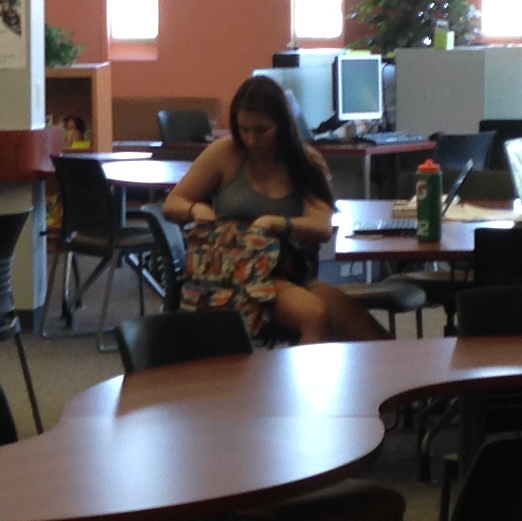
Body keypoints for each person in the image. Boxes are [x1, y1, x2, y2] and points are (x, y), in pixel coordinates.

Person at [158, 75, 384, 344]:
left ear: (282, 126)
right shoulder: (224, 152)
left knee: (366, 332)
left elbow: (321, 227)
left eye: (261, 130)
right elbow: (173, 203)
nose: (251, 139)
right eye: (244, 129)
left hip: (287, 270)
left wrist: (275, 223)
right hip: (234, 271)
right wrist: (195, 209)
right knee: (313, 314)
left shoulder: (306, 161)